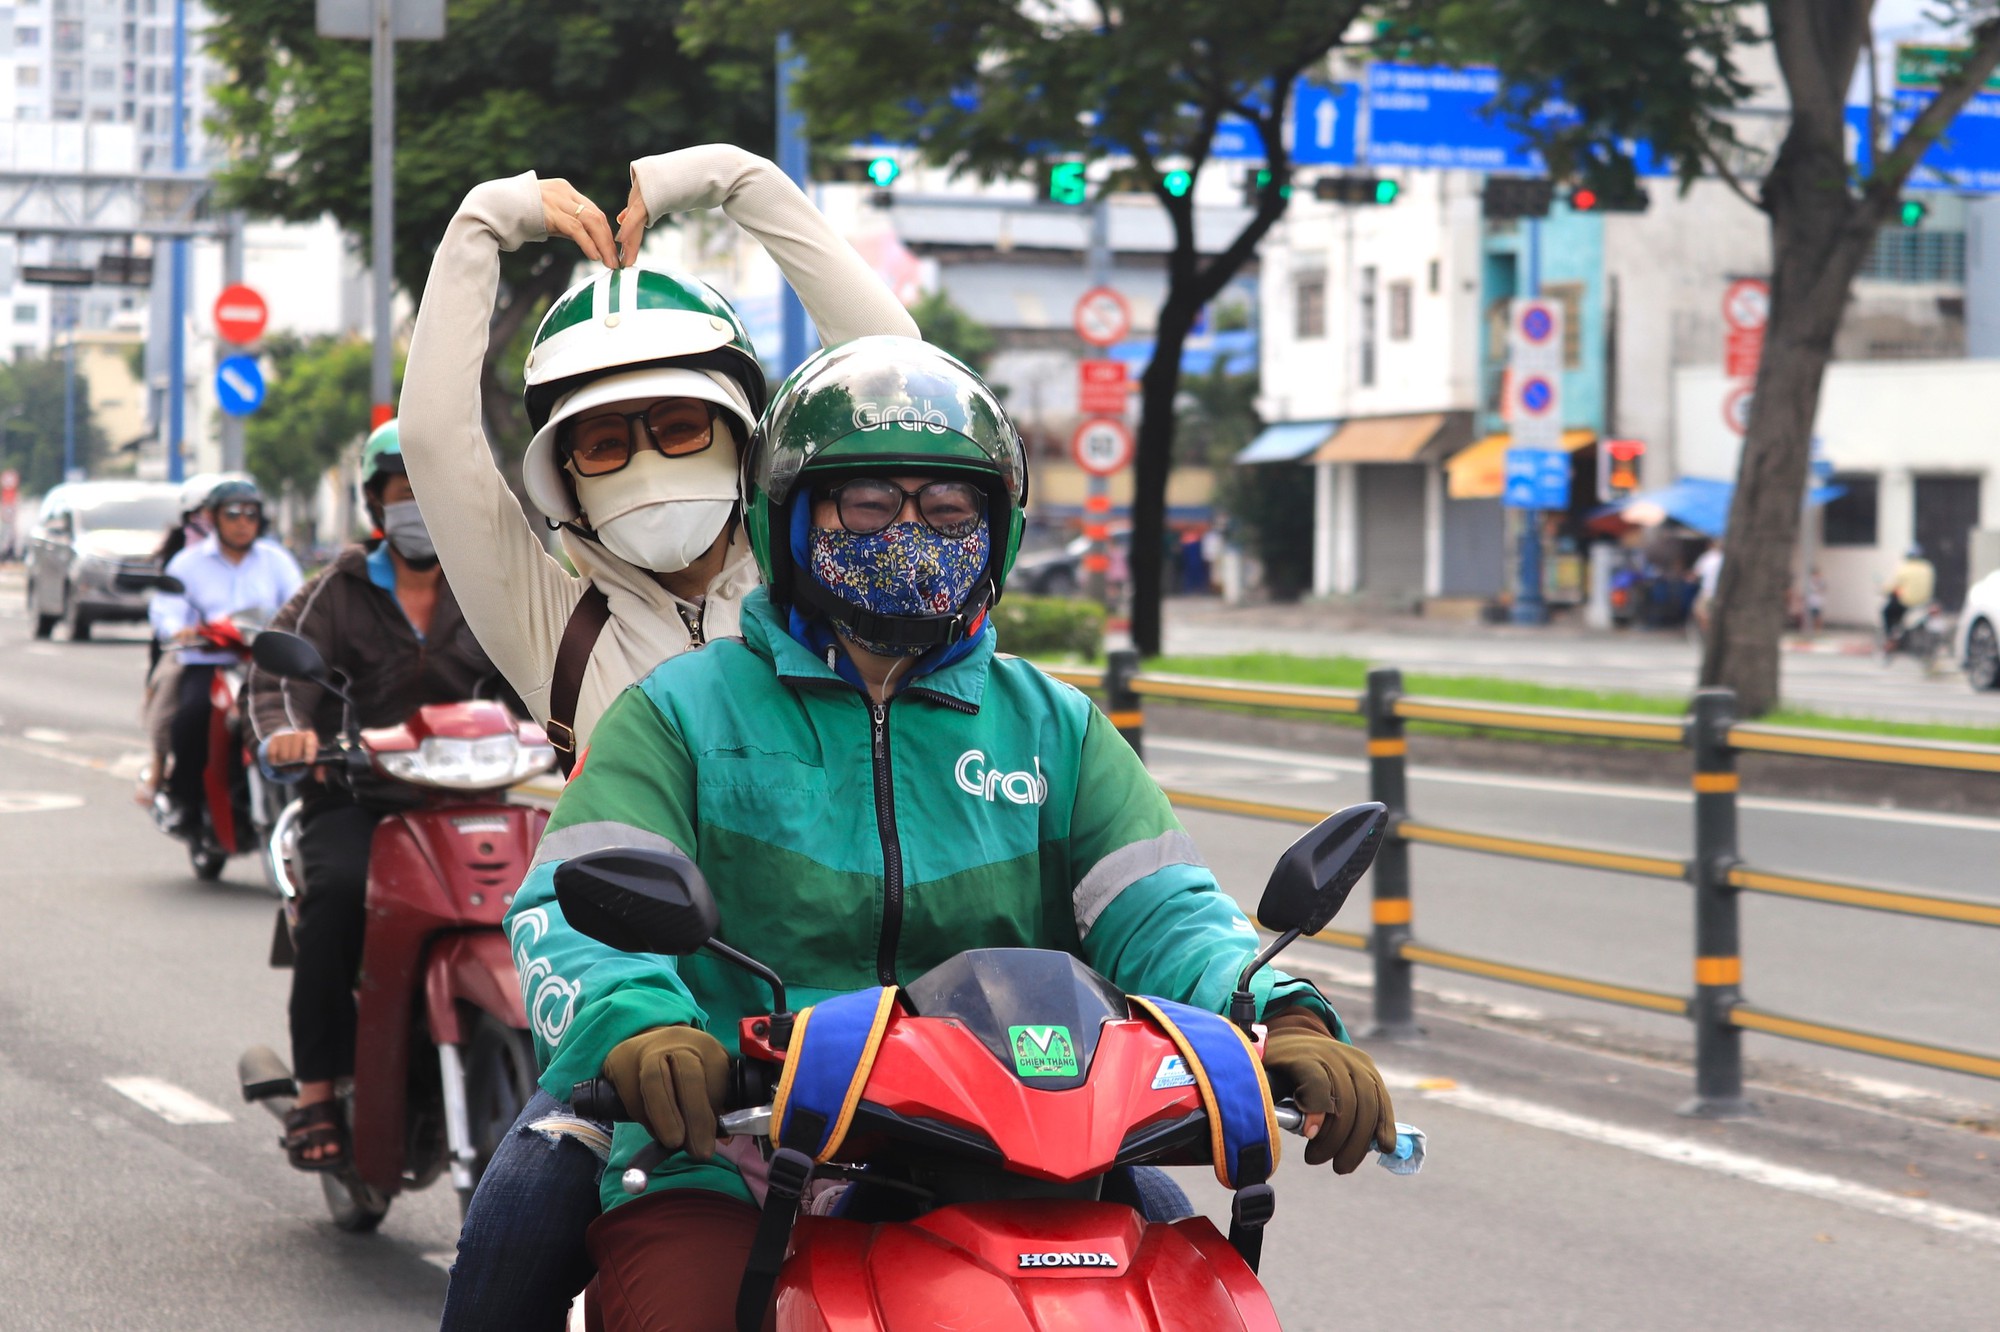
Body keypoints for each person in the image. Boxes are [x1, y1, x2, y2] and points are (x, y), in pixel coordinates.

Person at [504, 338, 1397, 1329]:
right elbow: (573, 901)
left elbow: (1166, 914)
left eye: (946, 509)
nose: (909, 535)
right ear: (787, 518)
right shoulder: (679, 713)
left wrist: (1280, 1010)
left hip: (1025, 1150)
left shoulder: (1055, 729)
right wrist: (641, 1024)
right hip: (732, 1152)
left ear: (996, 531)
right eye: (869, 504)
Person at [404, 144, 918, 1329]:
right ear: (564, 476)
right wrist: (488, 218)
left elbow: (905, 384)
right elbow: (435, 440)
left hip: (885, 1035)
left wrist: (740, 182)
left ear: (745, 437)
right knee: (517, 1212)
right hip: (649, 1050)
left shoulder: (829, 576)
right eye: (603, 440)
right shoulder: (554, 620)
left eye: (678, 424)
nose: (643, 460)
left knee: (1133, 1214)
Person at [246, 423, 508, 1171]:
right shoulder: (336, 589)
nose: (419, 508)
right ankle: (318, 1094)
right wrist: (289, 733)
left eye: (434, 493)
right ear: (374, 502)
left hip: (473, 797)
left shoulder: (491, 587)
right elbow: (277, 680)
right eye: (404, 494)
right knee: (332, 902)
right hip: (359, 796)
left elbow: (545, 670)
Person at [148, 477, 303, 837]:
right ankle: (183, 800)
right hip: (209, 663)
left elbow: (302, 606)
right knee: (190, 719)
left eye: (251, 513)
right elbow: (166, 609)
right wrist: (179, 631)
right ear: (213, 518)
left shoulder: (277, 561)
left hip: (266, 666)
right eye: (232, 513)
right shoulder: (187, 564)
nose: (242, 521)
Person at [137, 473, 223, 805]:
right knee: (175, 704)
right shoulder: (184, 558)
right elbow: (166, 608)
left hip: (248, 650)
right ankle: (162, 768)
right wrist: (179, 631)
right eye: (211, 512)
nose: (231, 522)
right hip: (194, 648)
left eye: (243, 512)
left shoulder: (267, 556)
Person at [1882, 543, 1936, 648]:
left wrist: (1885, 589)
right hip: (1924, 602)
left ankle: (1891, 640)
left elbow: (1894, 586)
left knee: (1887, 612)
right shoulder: (1928, 567)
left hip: (1907, 602)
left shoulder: (1904, 568)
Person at [1689, 540, 1724, 635]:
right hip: (1720, 592)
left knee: (1699, 611)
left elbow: (1695, 573)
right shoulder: (1724, 558)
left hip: (1708, 591)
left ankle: (1708, 632)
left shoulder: (1708, 557)